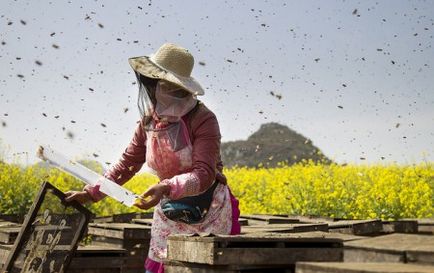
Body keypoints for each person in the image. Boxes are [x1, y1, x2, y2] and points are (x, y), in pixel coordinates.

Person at [65, 43, 241, 273]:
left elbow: (204, 174)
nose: (149, 88)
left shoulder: (203, 119)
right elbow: (128, 162)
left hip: (209, 210)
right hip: (168, 210)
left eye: (156, 82)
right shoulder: (149, 122)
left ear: (170, 86)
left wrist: (165, 187)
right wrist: (92, 192)